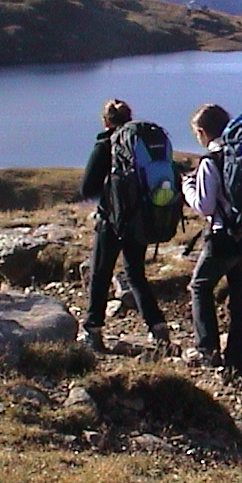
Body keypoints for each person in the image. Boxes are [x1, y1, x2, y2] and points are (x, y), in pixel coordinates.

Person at [78, 99, 171, 352]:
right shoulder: (140, 143)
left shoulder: (106, 144)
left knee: (100, 272)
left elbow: (87, 188)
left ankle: (93, 329)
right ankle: (158, 328)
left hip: (111, 219)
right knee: (135, 273)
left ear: (105, 121)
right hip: (140, 218)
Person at [181, 103, 242, 388]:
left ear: (202, 132)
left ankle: (208, 350)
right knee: (241, 297)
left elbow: (204, 205)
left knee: (200, 286)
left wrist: (186, 187)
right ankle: (239, 364)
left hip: (223, 238)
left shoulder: (210, 161)